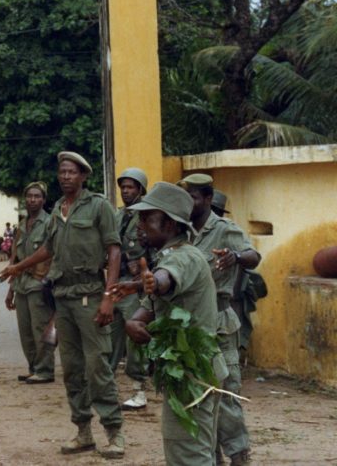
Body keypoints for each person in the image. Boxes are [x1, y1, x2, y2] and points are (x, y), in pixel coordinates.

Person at [0, 151, 125, 459]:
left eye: (71, 172)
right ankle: (83, 432)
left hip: (90, 295)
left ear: (83, 176)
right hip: (64, 297)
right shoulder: (58, 209)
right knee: (71, 370)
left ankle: (114, 433)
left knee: (98, 368)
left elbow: (114, 251)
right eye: (62, 172)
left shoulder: (99, 206)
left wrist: (109, 296)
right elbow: (48, 248)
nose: (65, 176)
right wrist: (17, 267)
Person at [110, 181, 223, 466]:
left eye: (148, 217)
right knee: (196, 451)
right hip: (189, 372)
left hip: (193, 375)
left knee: (188, 454)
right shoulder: (166, 257)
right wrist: (134, 323)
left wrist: (149, 282)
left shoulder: (184, 257)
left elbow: (165, 280)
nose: (140, 224)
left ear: (171, 224)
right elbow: (145, 311)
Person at [180, 174, 260, 466]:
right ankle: (211, 457)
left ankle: (239, 455)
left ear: (208, 199)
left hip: (218, 321)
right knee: (198, 396)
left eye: (194, 197)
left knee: (225, 395)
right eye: (185, 197)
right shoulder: (182, 231)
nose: (189, 203)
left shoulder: (223, 228)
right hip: (190, 324)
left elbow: (254, 256)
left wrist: (235, 257)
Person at [109, 167, 152, 410]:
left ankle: (139, 389)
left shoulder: (147, 215)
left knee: (134, 335)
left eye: (131, 187)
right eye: (123, 187)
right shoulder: (118, 215)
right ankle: (108, 383)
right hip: (117, 280)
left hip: (136, 286)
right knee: (111, 334)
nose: (126, 191)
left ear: (140, 189)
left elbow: (154, 248)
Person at [4, 181, 55, 384]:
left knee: (40, 329)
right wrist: (10, 290)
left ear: (43, 200)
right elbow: (15, 260)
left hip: (39, 283)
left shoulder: (50, 223)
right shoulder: (22, 224)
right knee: (25, 331)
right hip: (21, 285)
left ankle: (45, 370)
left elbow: (52, 254)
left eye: (37, 196)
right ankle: (34, 367)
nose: (32, 200)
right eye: (29, 196)